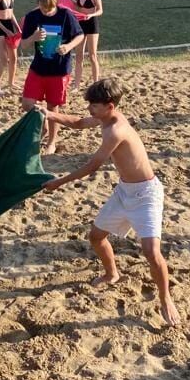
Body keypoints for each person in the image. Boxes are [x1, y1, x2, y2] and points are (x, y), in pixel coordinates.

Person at [40, 79, 180, 326]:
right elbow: (79, 123)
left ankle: (165, 298)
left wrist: (59, 182)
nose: (89, 109)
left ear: (110, 106)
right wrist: (49, 114)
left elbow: (92, 166)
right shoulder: (104, 119)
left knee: (151, 251)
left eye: (94, 106)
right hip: (124, 191)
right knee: (96, 237)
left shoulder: (116, 130)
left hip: (146, 195)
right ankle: (111, 273)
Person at [20, 0, 84, 154]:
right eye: (43, 8)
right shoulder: (32, 17)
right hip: (38, 68)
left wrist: (68, 46)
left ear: (56, 3)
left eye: (50, 9)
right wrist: (33, 37)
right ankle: (44, 126)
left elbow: (80, 35)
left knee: (52, 107)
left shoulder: (66, 15)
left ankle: (52, 142)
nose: (46, 12)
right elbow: (23, 45)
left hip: (59, 70)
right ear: (38, 2)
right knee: (27, 103)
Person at [73, 0, 103, 88]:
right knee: (78, 56)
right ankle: (76, 85)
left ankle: (96, 84)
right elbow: (79, 8)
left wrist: (91, 15)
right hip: (81, 24)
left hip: (92, 24)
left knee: (92, 56)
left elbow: (100, 10)